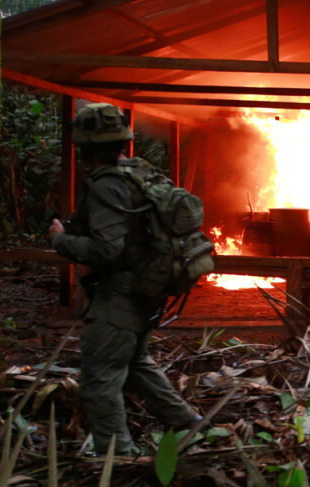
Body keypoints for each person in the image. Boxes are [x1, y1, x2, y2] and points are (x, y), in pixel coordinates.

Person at [49, 103, 199, 456]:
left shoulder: (106, 186)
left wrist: (60, 239)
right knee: (134, 364)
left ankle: (117, 459)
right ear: (123, 143)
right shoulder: (138, 176)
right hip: (145, 291)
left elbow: (107, 251)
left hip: (120, 298)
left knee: (100, 378)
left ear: (83, 147)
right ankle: (190, 425)